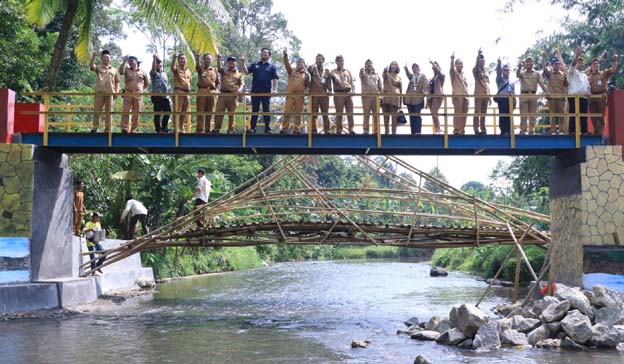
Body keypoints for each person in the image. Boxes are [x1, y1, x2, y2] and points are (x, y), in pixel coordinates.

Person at [241, 48, 279, 134]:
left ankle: (268, 128)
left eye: (266, 53)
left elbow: (275, 78)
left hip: (266, 92)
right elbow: (246, 72)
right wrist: (243, 62)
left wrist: (275, 89)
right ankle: (252, 128)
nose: (264, 54)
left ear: (269, 55)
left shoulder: (272, 66)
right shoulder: (255, 64)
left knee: (266, 110)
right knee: (255, 110)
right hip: (255, 91)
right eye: (262, 52)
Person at [586, 51, 618, 136]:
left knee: (601, 116)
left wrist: (615, 60)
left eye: (597, 64)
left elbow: (613, 70)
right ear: (591, 67)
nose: (596, 65)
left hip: (602, 95)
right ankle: (596, 133)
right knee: (593, 117)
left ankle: (600, 135)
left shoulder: (603, 73)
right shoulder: (588, 77)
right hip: (592, 96)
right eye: (594, 64)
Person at [89, 50, 120, 133]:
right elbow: (91, 67)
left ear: (110, 59)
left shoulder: (114, 70)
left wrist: (116, 92)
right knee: (97, 111)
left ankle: (107, 129)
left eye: (107, 57)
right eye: (104, 57)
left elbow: (117, 81)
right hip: (100, 93)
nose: (106, 58)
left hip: (110, 94)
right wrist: (93, 56)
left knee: (109, 113)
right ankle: (95, 128)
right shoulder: (99, 67)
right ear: (102, 58)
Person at [281, 50, 310, 134]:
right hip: (290, 95)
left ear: (304, 65)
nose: (299, 64)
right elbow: (287, 65)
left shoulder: (306, 74)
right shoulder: (292, 71)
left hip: (300, 96)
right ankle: (284, 128)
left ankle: (296, 129)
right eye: (298, 63)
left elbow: (308, 85)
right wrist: (285, 56)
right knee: (287, 112)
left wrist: (307, 90)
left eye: (301, 63)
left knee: (298, 113)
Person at [213, 55, 245, 133]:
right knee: (219, 112)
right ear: (227, 62)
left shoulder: (239, 74)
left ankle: (231, 129)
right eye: (230, 61)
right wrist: (219, 60)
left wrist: (239, 90)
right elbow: (219, 68)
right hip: (223, 94)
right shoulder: (224, 71)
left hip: (232, 95)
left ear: (235, 63)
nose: (231, 62)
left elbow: (242, 84)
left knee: (231, 113)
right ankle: (217, 128)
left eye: (233, 61)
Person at [118, 55, 149, 133]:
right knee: (126, 111)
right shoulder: (127, 70)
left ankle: (133, 129)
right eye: (129, 61)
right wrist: (124, 61)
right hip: (128, 93)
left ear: (136, 62)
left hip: (138, 95)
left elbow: (147, 83)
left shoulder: (143, 72)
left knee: (137, 112)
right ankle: (124, 128)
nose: (130, 62)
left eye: (132, 61)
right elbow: (121, 71)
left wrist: (140, 89)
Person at [516, 56, 546, 135]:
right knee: (523, 114)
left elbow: (542, 83)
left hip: (533, 94)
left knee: (533, 114)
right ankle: (523, 130)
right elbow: (517, 75)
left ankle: (531, 130)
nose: (529, 63)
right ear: (525, 63)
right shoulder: (522, 73)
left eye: (530, 61)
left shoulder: (537, 74)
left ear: (533, 63)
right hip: (523, 94)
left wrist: (547, 92)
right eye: (527, 61)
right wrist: (519, 68)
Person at [542, 49, 568, 135]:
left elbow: (567, 84)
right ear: (552, 65)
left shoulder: (563, 74)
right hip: (552, 97)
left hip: (561, 97)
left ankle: (561, 130)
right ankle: (553, 131)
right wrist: (544, 58)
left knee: (561, 115)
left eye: (559, 64)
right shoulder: (550, 74)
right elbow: (544, 68)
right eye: (556, 64)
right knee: (552, 115)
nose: (558, 66)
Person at [566, 46, 590, 135]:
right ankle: (572, 131)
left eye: (582, 63)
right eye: (579, 63)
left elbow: (588, 87)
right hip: (574, 97)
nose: (581, 64)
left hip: (584, 97)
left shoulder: (585, 76)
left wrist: (589, 93)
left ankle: (584, 131)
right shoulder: (572, 72)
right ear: (576, 64)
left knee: (583, 116)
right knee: (573, 115)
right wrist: (577, 54)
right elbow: (572, 64)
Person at [330, 55, 357, 134]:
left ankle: (351, 129)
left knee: (350, 112)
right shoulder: (333, 71)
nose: (341, 62)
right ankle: (339, 129)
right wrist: (335, 77)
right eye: (339, 61)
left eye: (342, 61)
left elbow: (352, 82)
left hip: (348, 94)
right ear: (336, 62)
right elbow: (332, 76)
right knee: (339, 113)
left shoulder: (348, 71)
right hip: (339, 93)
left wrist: (353, 91)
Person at [194, 51, 219, 133]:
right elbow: (197, 66)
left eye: (209, 59)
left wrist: (214, 90)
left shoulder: (214, 70)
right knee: (200, 112)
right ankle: (199, 130)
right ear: (204, 60)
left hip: (212, 92)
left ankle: (208, 130)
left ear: (211, 60)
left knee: (210, 112)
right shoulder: (201, 69)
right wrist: (197, 58)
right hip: (202, 91)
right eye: (206, 59)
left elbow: (217, 82)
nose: (208, 60)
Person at [308, 54, 332, 133]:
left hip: (324, 95)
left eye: (320, 59)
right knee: (314, 114)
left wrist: (330, 90)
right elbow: (307, 70)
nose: (319, 60)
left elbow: (328, 82)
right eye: (317, 59)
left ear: (323, 60)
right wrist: (313, 64)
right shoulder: (312, 69)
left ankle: (327, 130)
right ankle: (313, 130)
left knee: (325, 113)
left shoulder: (327, 71)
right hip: (314, 94)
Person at [170, 52, 193, 133]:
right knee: (177, 111)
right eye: (181, 59)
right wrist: (174, 58)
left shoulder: (188, 71)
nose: (182, 60)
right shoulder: (176, 69)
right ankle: (176, 128)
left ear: (186, 60)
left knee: (184, 111)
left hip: (186, 93)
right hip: (178, 92)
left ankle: (181, 128)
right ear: (178, 60)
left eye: (184, 58)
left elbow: (190, 81)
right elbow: (172, 67)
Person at [403, 63, 429, 135]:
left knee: (417, 115)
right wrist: (406, 69)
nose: (415, 69)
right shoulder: (412, 77)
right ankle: (413, 132)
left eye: (416, 67)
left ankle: (418, 132)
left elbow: (425, 84)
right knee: (411, 116)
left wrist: (425, 92)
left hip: (418, 99)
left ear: (419, 68)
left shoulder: (423, 76)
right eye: (413, 68)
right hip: (410, 100)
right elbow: (408, 74)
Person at [359, 60, 383, 134]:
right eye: (368, 65)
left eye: (371, 65)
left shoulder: (376, 75)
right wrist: (364, 68)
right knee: (366, 114)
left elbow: (380, 87)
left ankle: (376, 130)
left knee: (376, 115)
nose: (370, 66)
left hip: (376, 97)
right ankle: (366, 130)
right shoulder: (363, 74)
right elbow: (361, 74)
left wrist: (381, 96)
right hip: (366, 97)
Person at [150, 54, 171, 133]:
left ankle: (164, 127)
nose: (158, 65)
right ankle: (158, 129)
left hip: (165, 96)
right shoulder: (153, 73)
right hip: (156, 96)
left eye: (159, 63)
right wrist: (154, 59)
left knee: (168, 112)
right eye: (157, 63)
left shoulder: (164, 74)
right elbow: (153, 69)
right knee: (158, 112)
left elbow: (167, 85)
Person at [472, 49, 491, 135]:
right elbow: (476, 66)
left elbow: (487, 84)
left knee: (484, 113)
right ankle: (476, 128)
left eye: (483, 61)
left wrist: (489, 96)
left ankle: (483, 129)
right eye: (481, 61)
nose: (482, 63)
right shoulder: (476, 70)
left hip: (486, 95)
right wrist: (478, 55)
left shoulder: (486, 71)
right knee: (477, 112)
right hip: (478, 94)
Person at [495, 59, 515, 135]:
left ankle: (509, 130)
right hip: (502, 99)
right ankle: (503, 130)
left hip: (510, 100)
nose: (507, 71)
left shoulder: (512, 82)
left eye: (508, 70)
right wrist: (499, 64)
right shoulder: (500, 80)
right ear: (503, 71)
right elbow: (498, 73)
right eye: (505, 70)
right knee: (502, 115)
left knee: (509, 116)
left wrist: (514, 101)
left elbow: (513, 92)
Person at [450, 53, 469, 135]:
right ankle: (456, 130)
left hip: (465, 96)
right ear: (455, 65)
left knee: (464, 113)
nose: (460, 65)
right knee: (458, 113)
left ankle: (462, 129)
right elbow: (451, 69)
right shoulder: (453, 73)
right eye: (458, 64)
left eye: (461, 64)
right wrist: (452, 59)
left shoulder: (464, 74)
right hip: (457, 96)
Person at [382, 61, 402, 135]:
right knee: (386, 117)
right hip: (386, 98)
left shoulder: (399, 77)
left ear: (397, 67)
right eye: (392, 65)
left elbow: (401, 90)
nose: (393, 66)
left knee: (394, 118)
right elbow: (383, 75)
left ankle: (394, 133)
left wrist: (400, 103)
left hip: (395, 99)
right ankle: (386, 132)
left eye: (395, 65)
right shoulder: (387, 74)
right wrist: (384, 70)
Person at [427, 60, 445, 134]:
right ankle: (436, 128)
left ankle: (438, 129)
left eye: (437, 66)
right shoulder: (432, 78)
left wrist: (433, 64)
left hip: (437, 96)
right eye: (433, 67)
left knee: (434, 111)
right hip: (431, 98)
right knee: (433, 113)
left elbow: (438, 72)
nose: (434, 68)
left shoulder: (441, 76)